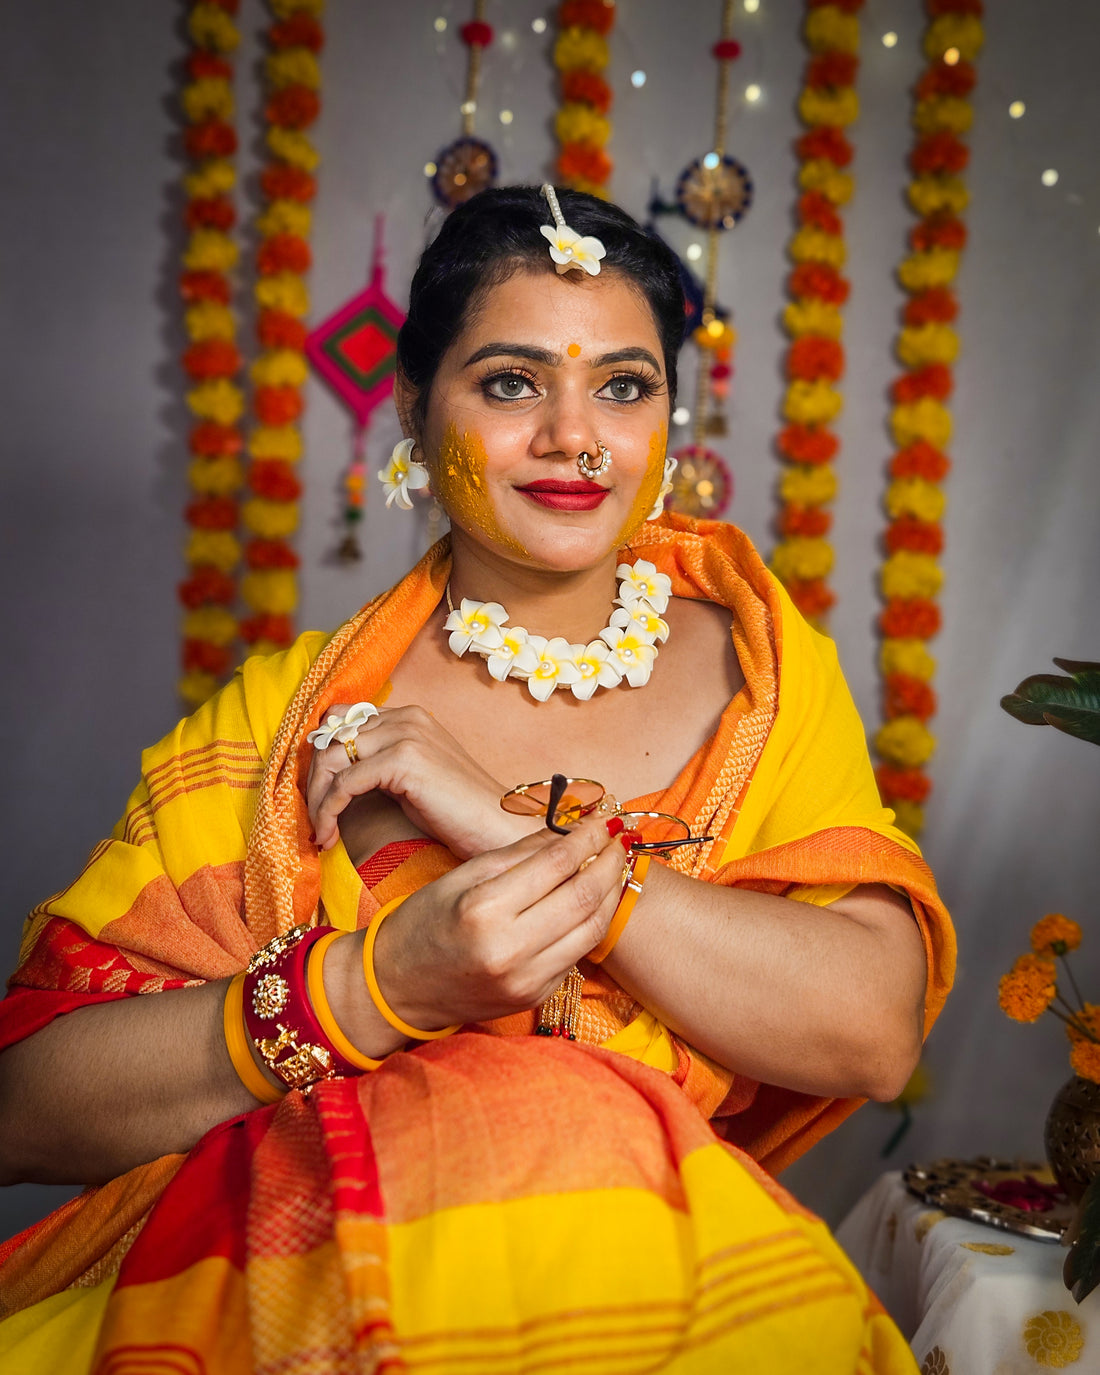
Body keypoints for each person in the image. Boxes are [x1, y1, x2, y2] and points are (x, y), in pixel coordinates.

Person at [0, 185, 952, 1373]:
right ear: (412, 404)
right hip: (316, 1300)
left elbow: (871, 1027)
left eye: (622, 384)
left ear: (669, 416)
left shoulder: (757, 664)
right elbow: (26, 1104)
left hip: (655, 1294)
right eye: (510, 383)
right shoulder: (291, 713)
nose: (574, 437)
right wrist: (377, 985)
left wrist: (550, 860)